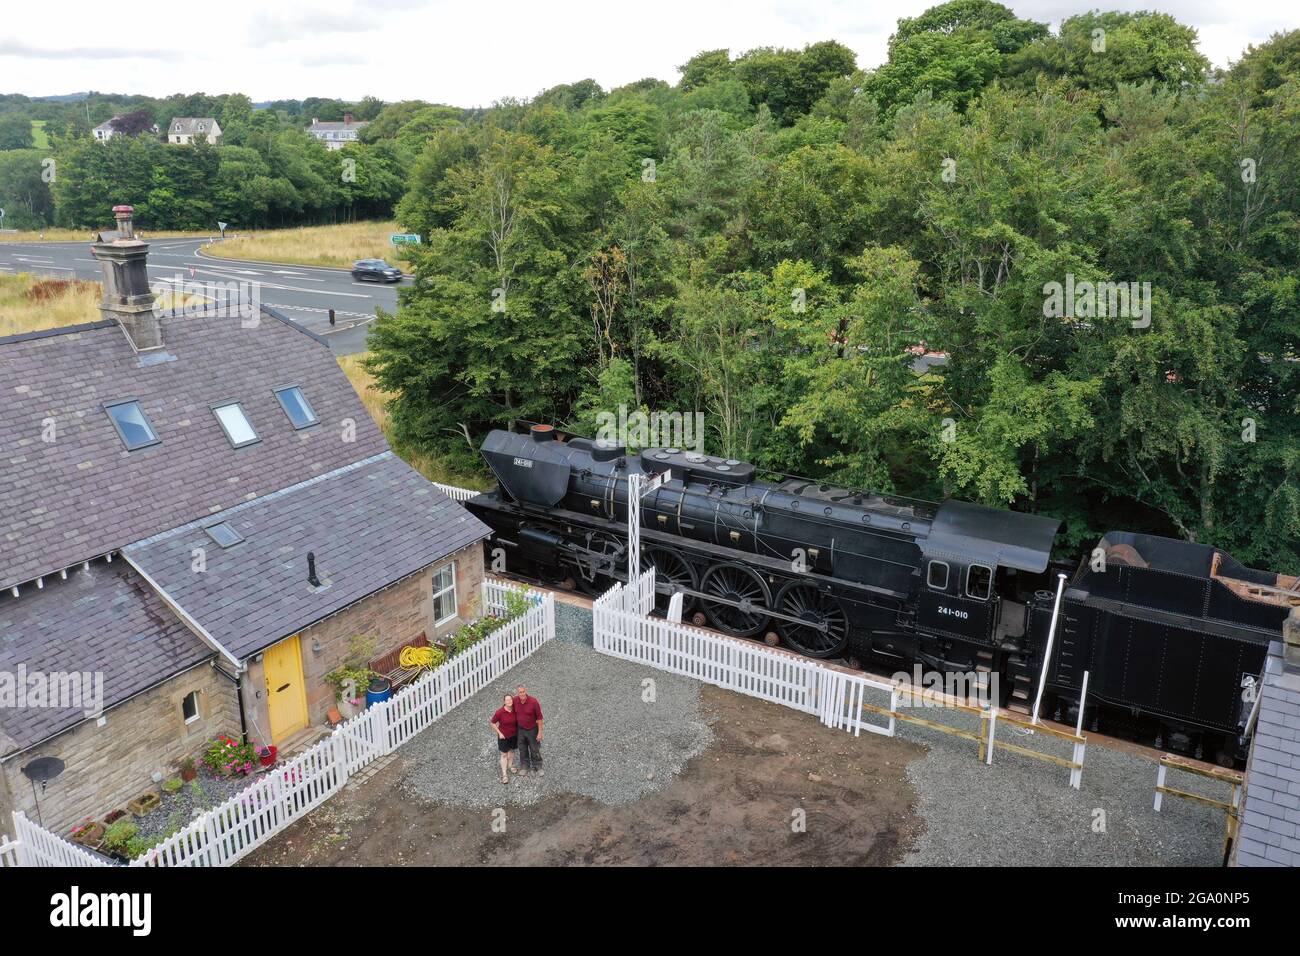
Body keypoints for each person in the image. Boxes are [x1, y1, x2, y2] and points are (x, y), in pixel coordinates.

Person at [514, 684, 544, 777]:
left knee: (534, 748)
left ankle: (538, 766)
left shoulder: (533, 702)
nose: (522, 694)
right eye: (520, 692)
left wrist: (540, 732)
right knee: (522, 749)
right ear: (517, 693)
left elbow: (539, 718)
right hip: (520, 730)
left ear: (525, 691)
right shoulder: (515, 700)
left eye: (523, 692)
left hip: (532, 730)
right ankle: (524, 766)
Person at [490, 693, 518, 785]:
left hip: (514, 736)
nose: (509, 701)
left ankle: (510, 766)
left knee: (512, 751)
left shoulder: (515, 710)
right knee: (504, 755)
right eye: (507, 700)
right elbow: (492, 723)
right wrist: (499, 733)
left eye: (510, 700)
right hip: (503, 737)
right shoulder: (500, 712)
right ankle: (504, 774)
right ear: (504, 702)